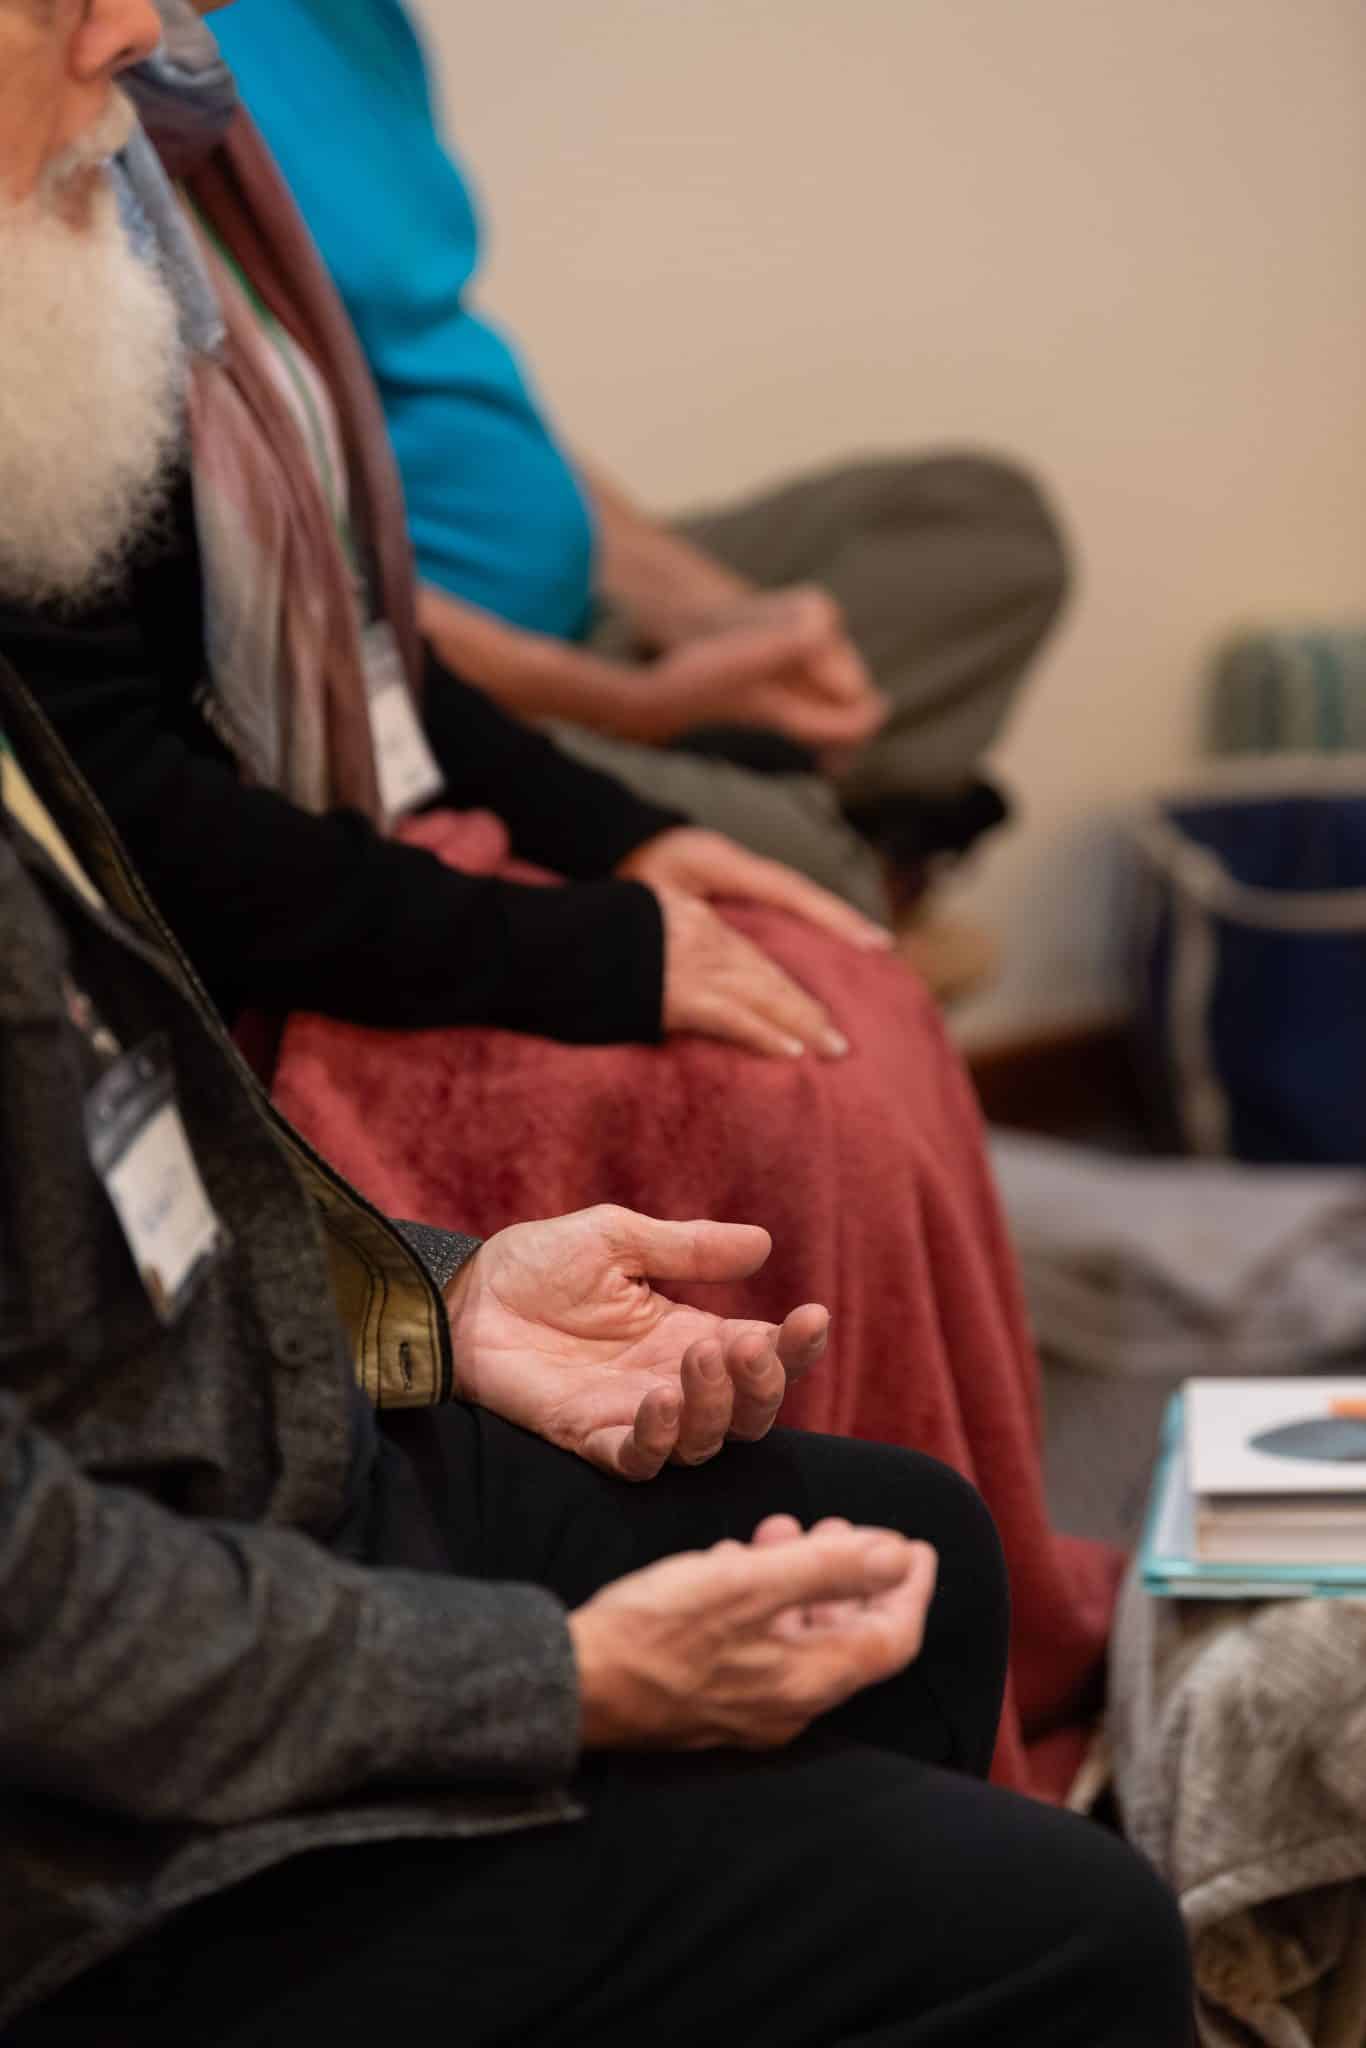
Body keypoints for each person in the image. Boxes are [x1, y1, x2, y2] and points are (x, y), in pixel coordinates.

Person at [0, 0, 1118, 1792]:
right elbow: (165, 814)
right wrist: (604, 903)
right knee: (799, 1089)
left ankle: (964, 1680)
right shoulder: (79, 260)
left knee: (843, 961)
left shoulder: (190, 136)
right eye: (69, 7)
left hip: (416, 761)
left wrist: (623, 825)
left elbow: (366, 613)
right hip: (296, 900)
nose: (135, 33)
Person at [0, 661, 1191, 2043]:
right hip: (87, 1844)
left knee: (907, 1550)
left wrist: (434, 1304)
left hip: (237, 1474)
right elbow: (46, 1622)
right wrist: (560, 1680)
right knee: (1067, 1927)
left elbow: (100, 1201)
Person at [214, 0, 1070, 929]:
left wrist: (713, 611)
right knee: (813, 880)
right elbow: (288, 587)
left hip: (582, 626)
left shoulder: (363, 28)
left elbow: (454, 395)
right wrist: (630, 705)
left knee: (986, 524)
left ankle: (778, 771)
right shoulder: (149, 56)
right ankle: (812, 807)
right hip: (423, 693)